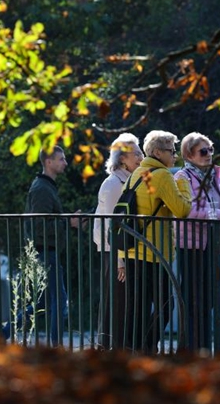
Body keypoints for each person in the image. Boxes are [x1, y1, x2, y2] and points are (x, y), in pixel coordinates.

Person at [115, 130, 192, 353]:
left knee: (136, 307)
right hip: (153, 253)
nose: (175, 156)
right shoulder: (162, 175)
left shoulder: (136, 174)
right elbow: (182, 209)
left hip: (132, 250)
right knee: (165, 306)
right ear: (157, 152)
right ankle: (146, 347)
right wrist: (184, 186)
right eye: (171, 151)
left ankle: (132, 349)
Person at [4, 145, 83, 346]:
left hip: (46, 251)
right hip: (45, 252)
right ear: (49, 162)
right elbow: (39, 226)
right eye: (61, 159)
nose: (65, 163)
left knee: (44, 302)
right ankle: (55, 346)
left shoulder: (45, 187)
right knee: (59, 300)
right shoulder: (41, 189)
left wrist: (68, 221)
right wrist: (68, 222)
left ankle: (2, 333)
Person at [173, 132, 220, 352]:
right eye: (203, 151)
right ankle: (189, 349)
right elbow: (188, 211)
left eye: (211, 150)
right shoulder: (182, 177)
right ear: (188, 154)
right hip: (191, 244)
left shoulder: (215, 175)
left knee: (208, 300)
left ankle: (202, 348)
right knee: (193, 298)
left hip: (212, 243)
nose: (209, 155)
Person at [92, 133, 143, 349]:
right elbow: (113, 228)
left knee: (124, 302)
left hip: (122, 251)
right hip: (114, 252)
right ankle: (110, 347)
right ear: (122, 158)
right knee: (116, 302)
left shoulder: (129, 180)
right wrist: (120, 261)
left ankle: (120, 346)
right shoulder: (114, 183)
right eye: (136, 153)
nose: (141, 156)